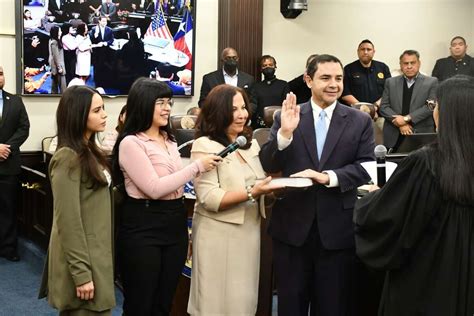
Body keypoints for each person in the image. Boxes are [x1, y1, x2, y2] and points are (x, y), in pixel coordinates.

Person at [259, 54, 375, 316]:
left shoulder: (359, 121)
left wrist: (330, 177)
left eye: (338, 78)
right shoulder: (287, 115)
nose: (334, 84)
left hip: (337, 232)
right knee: (290, 307)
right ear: (308, 80)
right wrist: (284, 135)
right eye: (325, 78)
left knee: (333, 307)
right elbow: (268, 163)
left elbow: (366, 167)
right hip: (292, 230)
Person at [353, 74, 474, 316]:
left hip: (428, 282)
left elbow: (386, 220)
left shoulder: (426, 163)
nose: (433, 112)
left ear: (449, 112)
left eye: (435, 105)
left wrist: (374, 198)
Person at [112, 78, 221, 315]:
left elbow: (177, 182)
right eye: (160, 102)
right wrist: (196, 167)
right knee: (141, 303)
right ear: (143, 104)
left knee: (165, 302)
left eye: (169, 102)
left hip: (174, 222)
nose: (167, 108)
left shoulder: (169, 139)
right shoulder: (131, 143)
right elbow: (154, 187)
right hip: (143, 225)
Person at [187, 84, 279, 315]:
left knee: (243, 302)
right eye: (234, 109)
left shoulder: (250, 144)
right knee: (214, 304)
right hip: (216, 234)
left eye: (244, 108)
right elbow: (209, 197)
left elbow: (260, 182)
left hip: (248, 231)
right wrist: (252, 192)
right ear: (218, 112)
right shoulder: (204, 145)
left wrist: (274, 188)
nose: (242, 114)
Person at [38, 85, 115, 315]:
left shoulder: (90, 150)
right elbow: (67, 221)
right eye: (97, 110)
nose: (104, 115)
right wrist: (81, 274)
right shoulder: (66, 157)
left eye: (103, 108)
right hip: (82, 259)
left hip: (97, 254)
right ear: (78, 114)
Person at [379, 50, 438, 151]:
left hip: (421, 135)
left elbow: (430, 107)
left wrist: (406, 119)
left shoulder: (431, 82)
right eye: (406, 63)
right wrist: (401, 124)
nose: (409, 66)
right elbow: (383, 107)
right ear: (400, 65)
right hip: (394, 135)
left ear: (419, 63)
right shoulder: (390, 82)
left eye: (413, 63)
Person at [0, 66, 30, 262]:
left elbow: (24, 128)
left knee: (8, 208)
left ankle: (8, 247)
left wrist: (6, 148)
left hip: (8, 164)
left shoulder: (16, 101)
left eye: (1, 73)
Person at [341, 39, 391, 110]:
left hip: (380, 112)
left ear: (373, 52)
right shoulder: (348, 69)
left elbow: (389, 92)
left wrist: (375, 107)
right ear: (358, 52)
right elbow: (345, 94)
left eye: (369, 49)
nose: (365, 52)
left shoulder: (383, 67)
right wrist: (362, 108)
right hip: (355, 112)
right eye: (362, 49)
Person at [252, 55, 290, 128]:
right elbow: (254, 107)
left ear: (275, 67)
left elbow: (286, 106)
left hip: (279, 124)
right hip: (259, 126)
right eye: (264, 65)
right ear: (261, 69)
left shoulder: (283, 85)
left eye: (270, 65)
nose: (268, 67)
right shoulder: (256, 86)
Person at [90, 16, 114, 87]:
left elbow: (111, 39)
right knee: (97, 66)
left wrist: (106, 43)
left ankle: (104, 81)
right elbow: (92, 40)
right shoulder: (94, 29)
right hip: (97, 51)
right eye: (103, 21)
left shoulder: (109, 30)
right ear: (99, 21)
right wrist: (96, 35)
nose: (105, 23)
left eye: (106, 21)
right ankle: (96, 81)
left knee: (105, 66)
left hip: (106, 51)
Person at [49, 25, 67, 94]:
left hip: (55, 66)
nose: (61, 32)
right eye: (59, 30)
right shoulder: (54, 42)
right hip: (58, 66)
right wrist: (59, 67)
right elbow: (55, 56)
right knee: (62, 86)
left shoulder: (53, 40)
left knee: (54, 84)